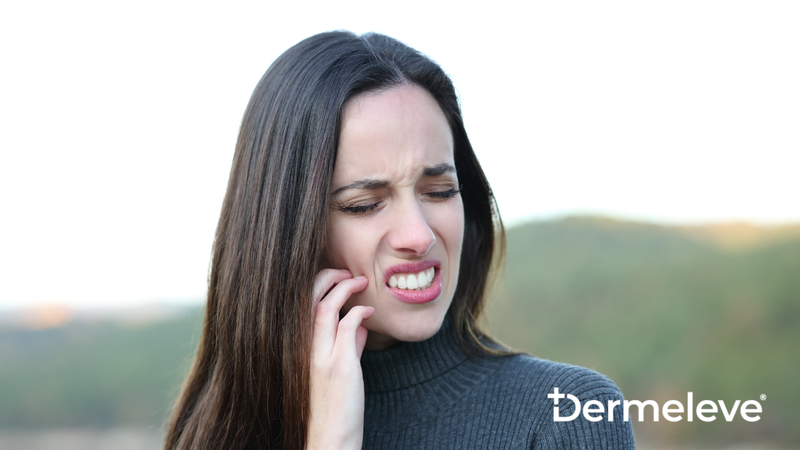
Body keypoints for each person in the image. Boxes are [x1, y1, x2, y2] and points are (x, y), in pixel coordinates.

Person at [164, 31, 636, 450]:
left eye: (439, 191)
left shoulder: (568, 417)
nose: (418, 235)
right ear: (289, 233)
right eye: (364, 203)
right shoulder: (217, 432)